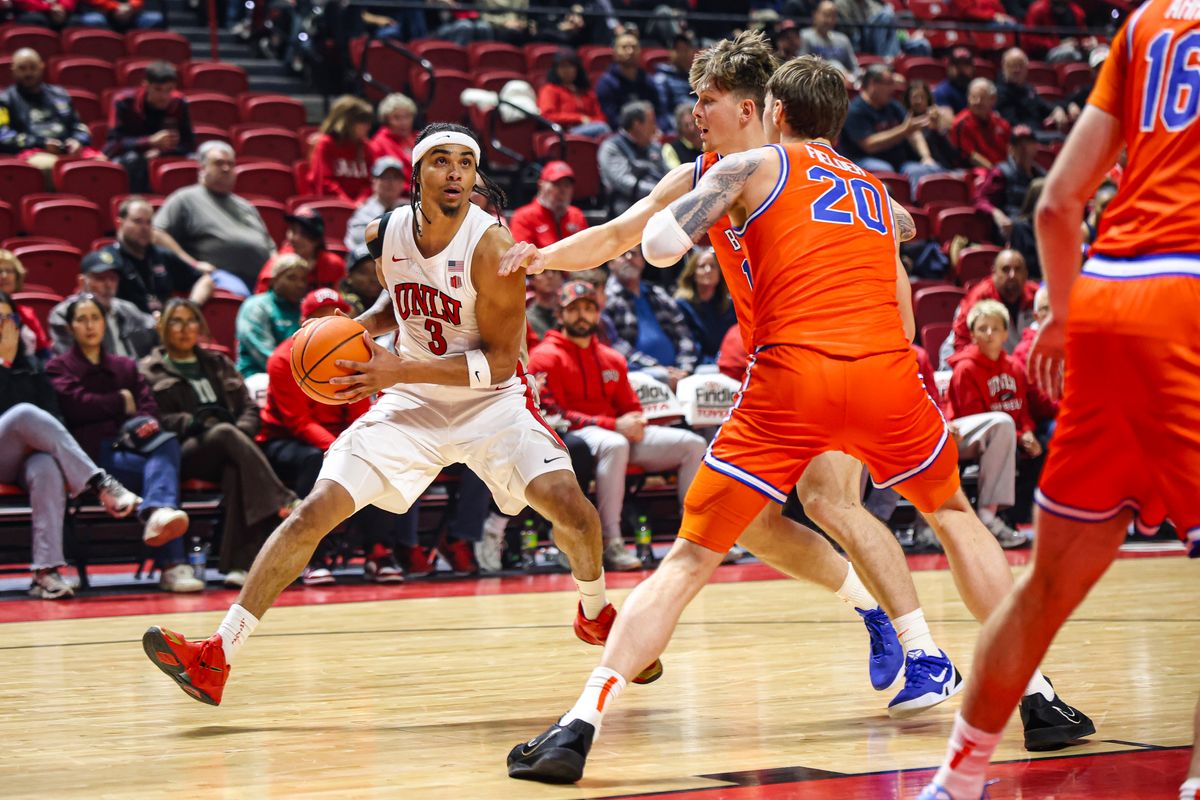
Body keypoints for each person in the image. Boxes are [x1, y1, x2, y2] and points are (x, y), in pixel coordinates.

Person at [507, 54, 1090, 783]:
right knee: (938, 513)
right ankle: (1032, 692)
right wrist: (541, 258)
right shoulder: (865, 182)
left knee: (700, 551)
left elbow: (652, 243)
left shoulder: (740, 172)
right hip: (881, 372)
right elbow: (902, 256)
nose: (695, 113)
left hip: (794, 372)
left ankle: (580, 724)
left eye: (709, 100)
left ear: (762, 110)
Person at [142, 123, 665, 707]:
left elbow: (495, 364)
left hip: (491, 405)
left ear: (474, 177)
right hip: (410, 405)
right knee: (312, 513)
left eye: (465, 163)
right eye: (440, 161)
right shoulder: (383, 233)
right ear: (416, 174)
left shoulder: (493, 249)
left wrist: (397, 371)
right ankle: (217, 654)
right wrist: (352, 332)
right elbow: (399, 300)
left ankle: (594, 612)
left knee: (575, 512)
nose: (454, 173)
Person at [920, 1, 1200, 795]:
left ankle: (957, 780)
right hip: (1189, 297)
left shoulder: (1148, 22)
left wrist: (1064, 320)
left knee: (1044, 586)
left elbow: (1053, 204)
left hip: (1109, 297)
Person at [528, 280, 708, 571]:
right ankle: (611, 542)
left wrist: (637, 421)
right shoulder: (545, 357)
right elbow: (555, 413)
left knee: (693, 444)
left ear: (598, 314)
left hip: (615, 434)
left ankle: (697, 539)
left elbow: (631, 406)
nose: (582, 315)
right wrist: (615, 424)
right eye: (574, 310)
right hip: (575, 436)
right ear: (560, 315)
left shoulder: (611, 357)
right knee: (616, 444)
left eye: (588, 308)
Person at [250, 288, 415, 584]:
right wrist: (337, 446)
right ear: (305, 324)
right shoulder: (282, 358)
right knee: (315, 460)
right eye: (319, 319)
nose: (328, 324)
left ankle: (378, 551)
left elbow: (360, 410)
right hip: (284, 442)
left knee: (375, 454)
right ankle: (313, 559)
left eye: (334, 317)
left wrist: (352, 443)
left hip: (335, 436)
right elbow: (298, 422)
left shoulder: (356, 351)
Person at [46, 294, 202, 593]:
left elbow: (148, 411)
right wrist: (120, 401)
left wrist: (115, 409)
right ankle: (172, 561)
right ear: (70, 327)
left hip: (131, 452)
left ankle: (158, 516)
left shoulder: (125, 366)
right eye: (82, 319)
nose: (90, 325)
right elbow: (75, 408)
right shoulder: (59, 367)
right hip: (91, 460)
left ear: (105, 323)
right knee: (163, 468)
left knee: (167, 446)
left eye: (95, 318)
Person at [140, 299, 299, 588]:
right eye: (176, 321)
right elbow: (154, 418)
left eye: (191, 321)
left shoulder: (218, 363)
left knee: (236, 470)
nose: (185, 328)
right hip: (185, 450)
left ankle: (238, 566)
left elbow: (250, 408)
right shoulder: (150, 369)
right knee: (224, 435)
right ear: (162, 327)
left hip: (232, 446)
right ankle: (282, 498)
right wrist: (190, 423)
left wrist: (242, 431)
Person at [0, 289, 140, 599]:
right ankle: (100, 481)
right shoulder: (11, 364)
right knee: (23, 413)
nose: (4, 326)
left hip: (22, 460)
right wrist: (3, 364)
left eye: (8, 318)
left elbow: (54, 418)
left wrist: (13, 364)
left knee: (46, 467)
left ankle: (45, 572)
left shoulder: (34, 365)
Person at [945, 300, 1037, 547]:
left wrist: (1027, 432)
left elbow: (1023, 412)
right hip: (961, 436)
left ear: (1006, 333)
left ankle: (1004, 515)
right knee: (1002, 423)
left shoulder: (1014, 367)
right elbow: (973, 414)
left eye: (995, 328)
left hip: (1003, 433)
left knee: (1037, 446)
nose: (989, 334)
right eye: (982, 328)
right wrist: (1018, 434)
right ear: (972, 333)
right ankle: (987, 514)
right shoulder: (965, 369)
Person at [154, 141, 276, 295]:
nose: (226, 168)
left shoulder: (246, 206)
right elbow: (157, 234)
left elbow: (270, 247)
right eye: (219, 163)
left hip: (262, 280)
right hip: (220, 277)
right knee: (240, 297)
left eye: (230, 164)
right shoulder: (186, 198)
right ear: (203, 168)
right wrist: (193, 263)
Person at [840, 64, 946, 192]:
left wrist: (926, 157)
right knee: (884, 169)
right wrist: (904, 130)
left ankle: (916, 209)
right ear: (873, 84)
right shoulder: (856, 110)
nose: (894, 88)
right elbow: (869, 144)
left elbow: (913, 132)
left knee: (927, 169)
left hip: (898, 162)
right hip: (862, 162)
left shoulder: (893, 106)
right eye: (889, 83)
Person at [604, 247, 697, 386]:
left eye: (634, 254)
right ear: (610, 263)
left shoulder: (658, 294)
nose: (629, 258)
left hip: (677, 372)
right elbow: (613, 344)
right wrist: (657, 368)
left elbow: (684, 334)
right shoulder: (605, 298)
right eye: (622, 254)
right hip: (637, 373)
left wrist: (685, 368)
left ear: (643, 261)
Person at [106, 196, 214, 315]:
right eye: (137, 221)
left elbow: (205, 279)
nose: (145, 228)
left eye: (149, 222)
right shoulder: (109, 260)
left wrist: (191, 307)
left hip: (164, 326)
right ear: (119, 224)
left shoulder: (162, 255)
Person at [0, 49, 101, 173]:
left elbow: (78, 126)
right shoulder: (4, 100)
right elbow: (3, 135)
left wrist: (77, 140)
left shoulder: (60, 95)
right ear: (13, 70)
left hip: (67, 149)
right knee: (51, 167)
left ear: (41, 67)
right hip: (32, 151)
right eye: (22, 68)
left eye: (33, 67)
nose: (28, 73)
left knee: (102, 164)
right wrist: (41, 143)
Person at [105, 62, 195, 193]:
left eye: (169, 90)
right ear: (146, 85)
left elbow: (189, 143)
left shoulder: (179, 103)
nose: (164, 97)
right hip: (131, 157)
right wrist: (150, 141)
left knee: (197, 158)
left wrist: (162, 152)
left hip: (164, 155)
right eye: (158, 89)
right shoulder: (124, 101)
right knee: (133, 160)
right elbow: (114, 143)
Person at [48, 251, 157, 358]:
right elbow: (71, 362)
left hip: (132, 372)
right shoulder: (64, 314)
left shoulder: (125, 308)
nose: (108, 285)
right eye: (100, 278)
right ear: (82, 282)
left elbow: (153, 325)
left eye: (113, 278)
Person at [941, 249, 1040, 365]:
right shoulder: (979, 297)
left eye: (1018, 269)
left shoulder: (1037, 297)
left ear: (1026, 274)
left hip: (1009, 364)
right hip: (960, 359)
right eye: (1005, 269)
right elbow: (962, 341)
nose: (1012, 275)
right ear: (994, 272)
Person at [235, 253, 308, 378]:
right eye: (292, 278)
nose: (300, 284)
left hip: (296, 376)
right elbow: (265, 354)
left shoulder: (304, 309)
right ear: (274, 280)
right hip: (258, 376)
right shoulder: (257, 305)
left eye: (303, 279)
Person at [975, 125, 1045, 239]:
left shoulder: (1041, 175)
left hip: (1036, 225)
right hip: (1012, 228)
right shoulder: (1001, 172)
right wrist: (996, 213)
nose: (1024, 148)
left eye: (1028, 143)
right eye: (1019, 144)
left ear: (1036, 147)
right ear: (1010, 149)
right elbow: (980, 200)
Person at [598, 101, 667, 217]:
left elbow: (667, 172)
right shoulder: (611, 147)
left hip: (658, 204)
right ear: (637, 125)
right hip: (626, 209)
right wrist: (660, 191)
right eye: (651, 123)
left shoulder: (654, 146)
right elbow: (625, 183)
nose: (655, 128)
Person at [254, 209, 344, 293]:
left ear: (317, 240)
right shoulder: (279, 262)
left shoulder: (334, 265)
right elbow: (261, 299)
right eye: (293, 230)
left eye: (304, 233)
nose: (295, 238)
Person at [307, 95, 375, 203]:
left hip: (362, 209)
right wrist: (347, 204)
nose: (368, 126)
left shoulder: (366, 147)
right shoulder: (326, 144)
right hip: (332, 208)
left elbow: (371, 183)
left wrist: (361, 202)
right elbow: (325, 182)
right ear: (346, 122)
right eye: (363, 121)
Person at [673, 248, 735, 363]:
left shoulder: (728, 305)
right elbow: (689, 344)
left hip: (728, 362)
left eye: (713, 266)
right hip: (699, 365)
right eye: (702, 266)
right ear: (693, 273)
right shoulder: (682, 305)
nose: (708, 270)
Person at [509, 161, 588, 251]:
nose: (562, 190)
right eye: (556, 184)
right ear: (541, 185)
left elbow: (588, 253)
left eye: (567, 185)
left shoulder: (577, 216)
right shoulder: (523, 217)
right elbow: (523, 259)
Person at [594, 32, 662, 131]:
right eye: (624, 47)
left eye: (634, 47)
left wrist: (657, 129)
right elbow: (612, 119)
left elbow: (659, 113)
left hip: (649, 135)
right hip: (622, 136)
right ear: (615, 52)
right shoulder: (606, 83)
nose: (630, 51)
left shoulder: (648, 80)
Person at [537, 48, 610, 138]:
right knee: (602, 129)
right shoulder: (550, 89)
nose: (567, 70)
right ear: (556, 69)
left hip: (590, 128)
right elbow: (547, 116)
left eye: (571, 66)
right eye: (563, 66)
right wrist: (579, 118)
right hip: (564, 132)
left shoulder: (586, 91)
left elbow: (601, 117)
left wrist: (589, 120)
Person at [996, 47, 1069, 134]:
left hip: (1037, 135)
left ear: (1027, 68)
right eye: (1012, 65)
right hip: (1021, 139)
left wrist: (1057, 110)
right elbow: (1011, 123)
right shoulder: (999, 93)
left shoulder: (1028, 89)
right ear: (1004, 67)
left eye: (1020, 65)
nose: (1017, 70)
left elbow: (1043, 106)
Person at [345, 157, 406, 253]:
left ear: (403, 183)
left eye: (396, 177)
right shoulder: (363, 212)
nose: (391, 182)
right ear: (374, 180)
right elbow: (361, 247)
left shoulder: (408, 209)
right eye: (385, 177)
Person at [0, 250, 52, 361]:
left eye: (9, 271)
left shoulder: (26, 314)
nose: (4, 276)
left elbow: (43, 354)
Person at [950, 78, 1011, 170]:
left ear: (993, 99)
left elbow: (1011, 151)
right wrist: (995, 172)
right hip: (976, 172)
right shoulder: (961, 123)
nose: (977, 102)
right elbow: (971, 156)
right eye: (973, 97)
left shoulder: (1002, 123)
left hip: (1004, 170)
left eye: (982, 98)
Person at [905, 80, 959, 172]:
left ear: (928, 100)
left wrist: (937, 128)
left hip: (945, 165)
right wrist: (926, 157)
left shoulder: (938, 116)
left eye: (922, 97)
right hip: (917, 164)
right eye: (915, 97)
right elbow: (916, 137)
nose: (918, 101)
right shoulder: (905, 119)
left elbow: (953, 152)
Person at [799, 1, 859, 78]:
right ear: (815, 15)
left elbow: (855, 68)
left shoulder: (843, 39)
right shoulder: (805, 36)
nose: (829, 20)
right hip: (816, 82)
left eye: (833, 16)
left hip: (843, 84)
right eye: (826, 15)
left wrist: (852, 77)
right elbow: (802, 66)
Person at [653, 33, 697, 133]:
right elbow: (663, 113)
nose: (683, 54)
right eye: (679, 50)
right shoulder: (662, 79)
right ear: (670, 52)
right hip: (678, 130)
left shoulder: (696, 78)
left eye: (686, 50)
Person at [367, 93, 416, 179]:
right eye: (397, 118)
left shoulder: (419, 138)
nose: (404, 122)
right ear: (386, 119)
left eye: (407, 116)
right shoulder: (378, 144)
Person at [339, 246, 383, 317]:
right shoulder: (344, 307)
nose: (373, 279)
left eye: (377, 271)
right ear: (349, 277)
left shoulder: (397, 299)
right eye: (364, 272)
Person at [934, 47, 976, 114]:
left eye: (966, 65)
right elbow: (948, 122)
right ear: (949, 68)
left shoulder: (977, 91)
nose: (962, 69)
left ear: (973, 68)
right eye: (957, 65)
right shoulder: (942, 92)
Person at [662, 102, 703, 170]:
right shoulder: (671, 148)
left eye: (694, 123)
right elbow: (675, 174)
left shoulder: (709, 142)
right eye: (686, 125)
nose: (692, 128)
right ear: (680, 128)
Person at [76, 0, 163, 29]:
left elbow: (138, 1)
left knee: (155, 18)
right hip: (104, 14)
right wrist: (115, 7)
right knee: (92, 20)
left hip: (130, 13)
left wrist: (131, 6)